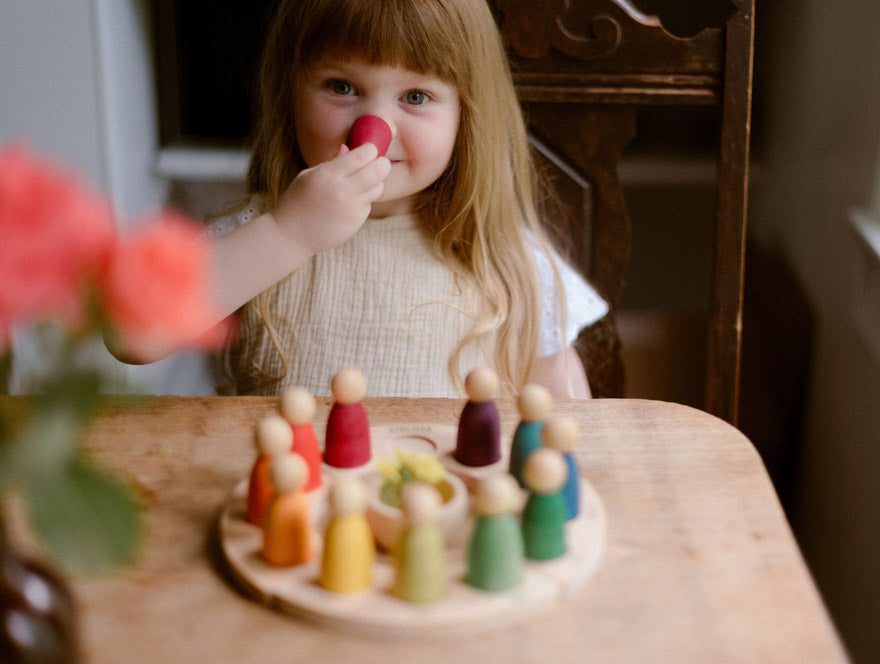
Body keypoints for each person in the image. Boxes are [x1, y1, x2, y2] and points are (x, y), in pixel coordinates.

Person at [110, 0, 607, 399]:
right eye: (342, 87)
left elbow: (563, 417)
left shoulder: (504, 256)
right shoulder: (265, 230)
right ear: (291, 94)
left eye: (415, 97)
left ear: (466, 115)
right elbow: (130, 333)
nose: (375, 130)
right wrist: (287, 233)